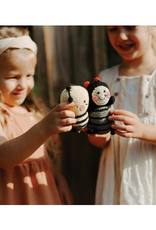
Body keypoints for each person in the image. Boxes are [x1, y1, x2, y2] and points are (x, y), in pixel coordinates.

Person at [0, 26, 76, 205]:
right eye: (13, 77)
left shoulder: (34, 111)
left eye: (29, 75)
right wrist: (44, 128)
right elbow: (4, 157)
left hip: (45, 195)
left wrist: (59, 181)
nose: (22, 84)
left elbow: (44, 158)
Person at [88, 26, 156, 205]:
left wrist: (143, 130)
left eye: (130, 27)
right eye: (113, 29)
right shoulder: (104, 79)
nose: (122, 36)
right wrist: (98, 134)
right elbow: (98, 141)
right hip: (115, 176)